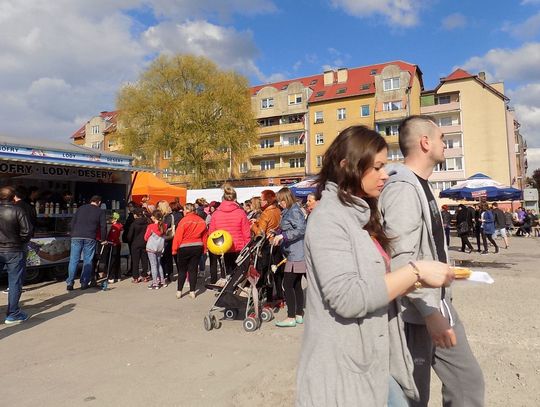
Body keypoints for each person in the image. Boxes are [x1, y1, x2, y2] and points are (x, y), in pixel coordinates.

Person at [296, 126, 453, 406]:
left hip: (375, 361)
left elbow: (376, 281)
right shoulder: (328, 219)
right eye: (378, 167)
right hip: (345, 369)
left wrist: (423, 279)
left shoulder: (362, 215)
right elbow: (349, 298)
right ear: (348, 166)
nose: (385, 174)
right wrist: (415, 271)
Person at [379, 115, 484, 407]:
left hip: (438, 303)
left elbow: (428, 247)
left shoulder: (421, 185)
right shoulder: (402, 188)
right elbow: (402, 259)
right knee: (414, 395)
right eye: (441, 139)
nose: (445, 145)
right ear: (425, 143)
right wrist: (429, 312)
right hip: (415, 311)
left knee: (467, 382)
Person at [272, 187, 307, 327]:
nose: (279, 203)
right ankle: (298, 314)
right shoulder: (289, 211)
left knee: (287, 284)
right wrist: (277, 232)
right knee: (296, 284)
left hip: (296, 254)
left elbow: (301, 229)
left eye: (281, 200)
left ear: (286, 199)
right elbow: (289, 227)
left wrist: (283, 236)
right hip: (294, 252)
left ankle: (291, 316)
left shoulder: (294, 211)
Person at [0, 186, 32, 324]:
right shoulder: (18, 210)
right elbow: (27, 231)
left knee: (14, 282)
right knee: (15, 282)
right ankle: (13, 313)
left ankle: (13, 313)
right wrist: (19, 242)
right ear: (13, 197)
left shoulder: (17, 210)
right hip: (14, 250)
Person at [250, 189, 284, 306]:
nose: (260, 201)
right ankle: (280, 297)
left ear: (268, 200)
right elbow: (272, 224)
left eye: (262, 199)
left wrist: (253, 226)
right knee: (277, 272)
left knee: (266, 272)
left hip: (267, 246)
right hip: (277, 244)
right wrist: (258, 221)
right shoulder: (278, 210)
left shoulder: (266, 213)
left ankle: (268, 300)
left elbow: (260, 233)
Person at [66, 195, 107, 290]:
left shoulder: (80, 208)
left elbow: (72, 222)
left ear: (91, 201)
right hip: (90, 237)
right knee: (87, 260)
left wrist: (72, 233)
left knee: (73, 260)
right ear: (99, 202)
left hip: (76, 236)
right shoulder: (100, 211)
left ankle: (70, 283)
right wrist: (103, 239)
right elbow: (103, 226)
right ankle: (84, 283)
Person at [208, 185, 251, 274]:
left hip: (223, 247)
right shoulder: (241, 213)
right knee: (239, 275)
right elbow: (246, 233)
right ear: (235, 199)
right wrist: (248, 248)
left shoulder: (215, 214)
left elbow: (211, 233)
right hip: (239, 248)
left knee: (227, 274)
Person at [172, 203, 208, 299]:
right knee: (193, 269)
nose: (183, 212)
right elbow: (205, 236)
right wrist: (205, 248)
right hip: (197, 246)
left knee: (182, 270)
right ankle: (192, 291)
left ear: (187, 210)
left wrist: (174, 249)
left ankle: (179, 291)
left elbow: (178, 236)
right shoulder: (201, 221)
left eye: (184, 210)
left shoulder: (183, 221)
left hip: (184, 247)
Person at [144, 210, 167, 289]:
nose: (151, 217)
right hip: (160, 247)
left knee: (153, 265)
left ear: (154, 217)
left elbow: (145, 237)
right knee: (159, 264)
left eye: (152, 216)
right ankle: (162, 281)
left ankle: (155, 283)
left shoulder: (151, 226)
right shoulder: (164, 226)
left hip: (151, 247)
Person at [126, 207, 150, 283]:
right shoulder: (147, 223)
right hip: (145, 243)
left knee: (135, 261)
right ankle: (144, 276)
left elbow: (129, 236)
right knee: (144, 260)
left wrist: (129, 240)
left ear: (136, 215)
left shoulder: (134, 224)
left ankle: (136, 277)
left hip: (135, 244)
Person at [157, 200, 175, 284]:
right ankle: (165, 274)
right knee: (165, 258)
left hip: (167, 238)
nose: (158, 208)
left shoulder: (168, 216)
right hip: (165, 238)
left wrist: (158, 224)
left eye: (159, 206)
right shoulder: (165, 216)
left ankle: (168, 274)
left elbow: (165, 227)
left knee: (166, 257)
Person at [106, 212, 123, 283]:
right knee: (117, 260)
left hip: (113, 244)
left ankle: (111, 277)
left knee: (112, 261)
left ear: (115, 219)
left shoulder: (115, 226)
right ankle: (118, 276)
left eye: (112, 218)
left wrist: (109, 241)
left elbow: (114, 236)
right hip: (117, 244)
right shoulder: (120, 225)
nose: (110, 219)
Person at [122, 201, 137, 276]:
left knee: (133, 254)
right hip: (131, 237)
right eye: (128, 206)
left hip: (132, 238)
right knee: (133, 254)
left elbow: (129, 226)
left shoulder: (133, 216)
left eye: (130, 206)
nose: (129, 208)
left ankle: (132, 270)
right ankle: (132, 270)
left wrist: (124, 226)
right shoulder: (131, 215)